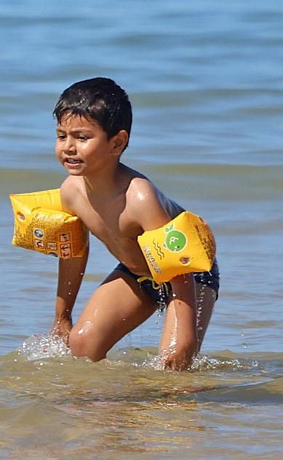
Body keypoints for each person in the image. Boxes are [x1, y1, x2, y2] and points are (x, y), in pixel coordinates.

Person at [46, 78, 220, 370]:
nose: (69, 147)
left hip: (189, 273)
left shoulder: (140, 197)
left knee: (173, 363)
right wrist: (62, 316)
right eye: (61, 136)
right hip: (138, 273)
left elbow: (177, 267)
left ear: (117, 143)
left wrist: (186, 335)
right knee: (81, 344)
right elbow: (73, 252)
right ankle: (110, 408)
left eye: (82, 137)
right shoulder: (70, 192)